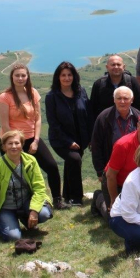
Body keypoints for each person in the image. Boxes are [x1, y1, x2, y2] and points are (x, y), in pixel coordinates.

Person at [0, 64, 69, 210]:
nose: (20, 78)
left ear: (28, 77)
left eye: (23, 75)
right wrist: (16, 144)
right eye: (17, 75)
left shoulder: (33, 93)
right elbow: (5, 125)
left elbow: (37, 119)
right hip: (12, 141)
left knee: (52, 167)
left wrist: (36, 140)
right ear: (12, 77)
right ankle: (15, 206)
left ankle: (57, 200)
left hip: (31, 138)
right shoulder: (5, 97)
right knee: (20, 175)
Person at [0, 130, 53, 241]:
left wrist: (34, 210)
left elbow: (39, 188)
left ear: (22, 145)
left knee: (44, 213)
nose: (14, 146)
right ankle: (3, 222)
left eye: (17, 143)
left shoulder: (30, 161)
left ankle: (26, 218)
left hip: (26, 202)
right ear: (4, 147)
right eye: (10, 143)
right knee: (14, 237)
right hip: (6, 208)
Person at [90, 86, 140, 219]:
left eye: (126, 98)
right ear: (114, 100)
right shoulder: (104, 118)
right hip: (111, 170)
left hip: (133, 170)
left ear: (132, 100)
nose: (122, 101)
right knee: (112, 217)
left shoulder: (138, 117)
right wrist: (100, 170)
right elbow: (96, 146)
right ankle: (99, 198)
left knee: (135, 211)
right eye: (119, 98)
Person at [45, 61, 91, 207]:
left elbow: (88, 114)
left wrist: (89, 138)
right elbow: (53, 123)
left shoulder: (81, 91)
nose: (66, 78)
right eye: (63, 75)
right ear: (58, 77)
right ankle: (77, 198)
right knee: (74, 159)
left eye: (69, 75)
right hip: (60, 139)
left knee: (72, 163)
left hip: (80, 137)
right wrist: (68, 142)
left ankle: (67, 195)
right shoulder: (52, 96)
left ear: (74, 76)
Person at [89, 55, 140, 128]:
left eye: (118, 64)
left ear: (124, 67)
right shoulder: (99, 84)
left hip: (130, 126)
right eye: (113, 65)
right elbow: (93, 109)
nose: (116, 67)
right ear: (107, 67)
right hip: (106, 127)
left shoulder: (132, 82)